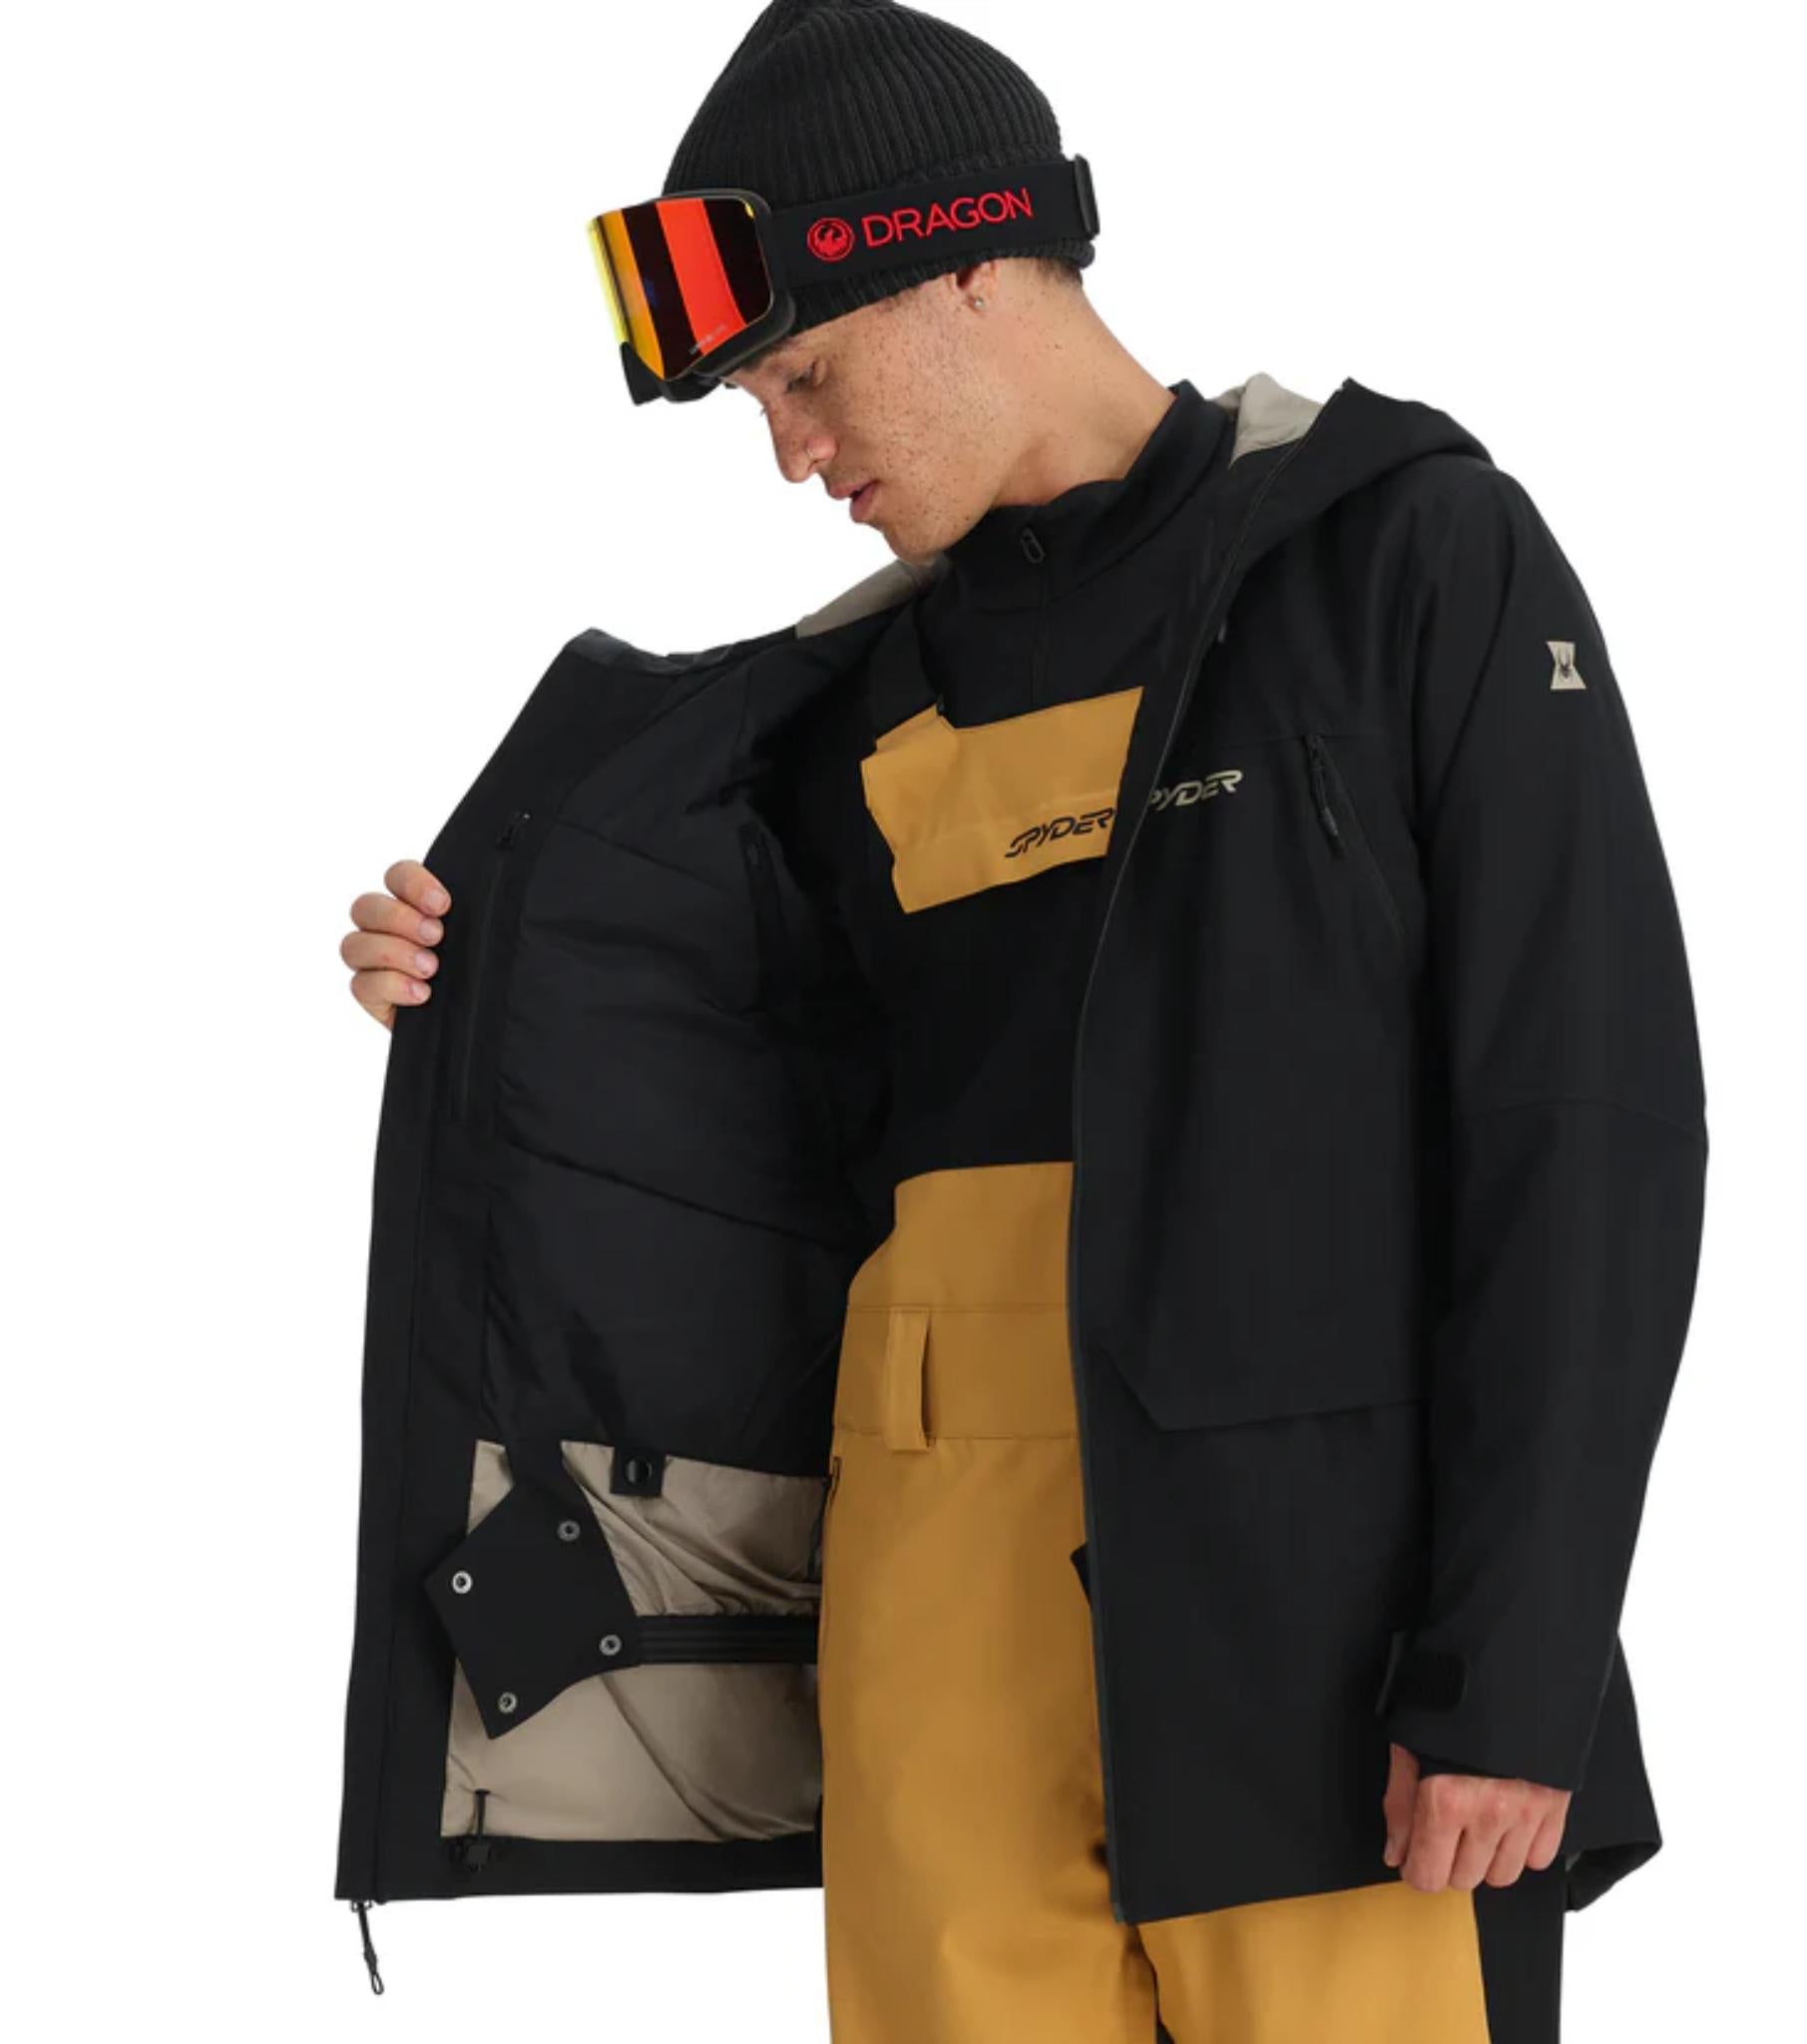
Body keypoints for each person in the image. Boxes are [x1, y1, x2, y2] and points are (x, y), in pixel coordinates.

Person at [338, 4, 1706, 2038]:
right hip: (936, 1639)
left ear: (968, 258)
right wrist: (484, 990)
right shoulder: (835, 715)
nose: (793, 455)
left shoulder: (1400, 559)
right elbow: (753, 1164)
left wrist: (1513, 1675)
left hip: (1327, 1644)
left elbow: (1581, 1126)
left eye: (806, 374)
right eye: (759, 405)